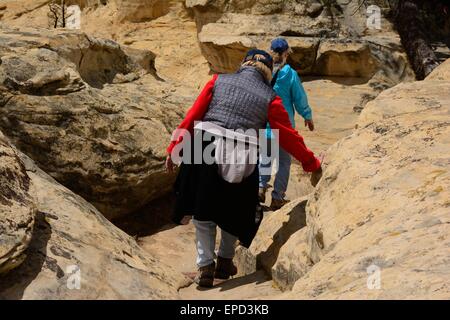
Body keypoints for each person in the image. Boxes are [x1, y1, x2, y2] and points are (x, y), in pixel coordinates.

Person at [165, 49, 322, 288]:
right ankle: (225, 260)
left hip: (205, 143)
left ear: (244, 64)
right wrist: (310, 162)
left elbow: (193, 116)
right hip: (243, 150)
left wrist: (174, 147)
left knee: (203, 210)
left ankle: (206, 265)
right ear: (268, 72)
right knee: (235, 210)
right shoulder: (270, 96)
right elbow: (287, 135)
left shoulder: (218, 80)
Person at [259, 38, 316, 211]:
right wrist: (307, 115)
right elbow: (299, 98)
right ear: (285, 53)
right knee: (284, 161)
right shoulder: (289, 73)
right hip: (283, 126)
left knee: (265, 158)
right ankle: (277, 197)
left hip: (264, 122)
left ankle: (260, 188)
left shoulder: (263, 71)